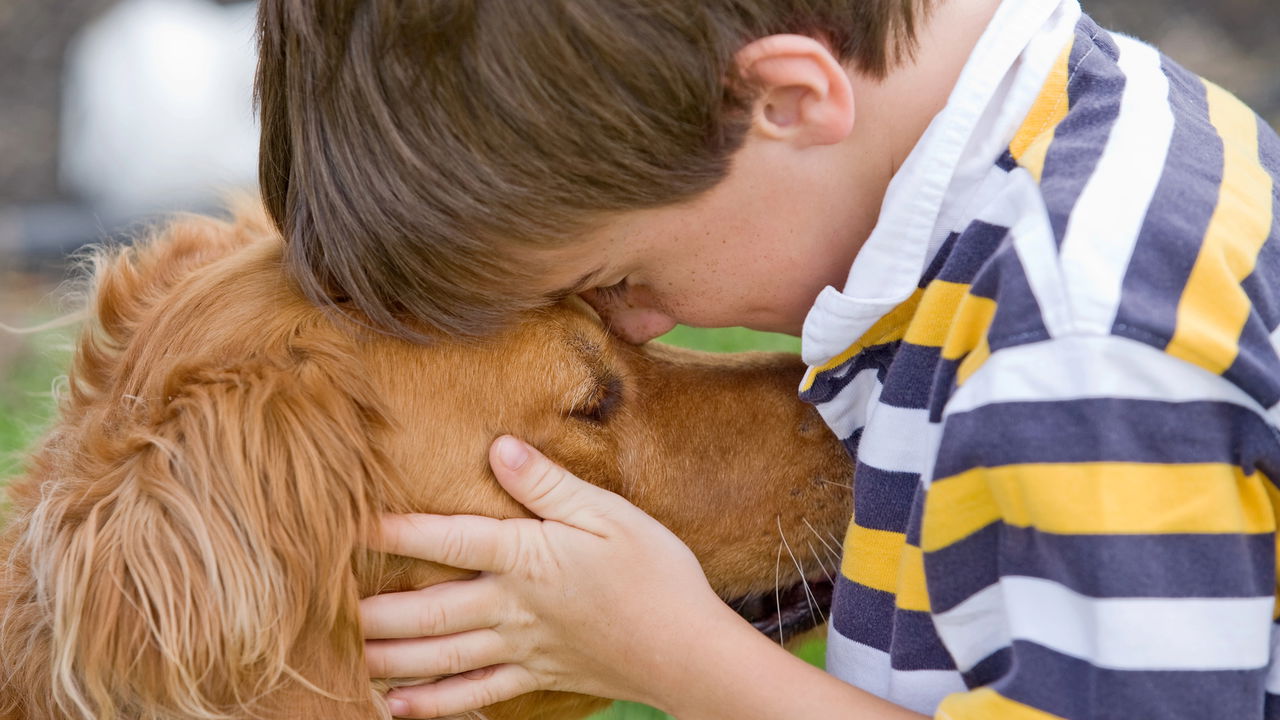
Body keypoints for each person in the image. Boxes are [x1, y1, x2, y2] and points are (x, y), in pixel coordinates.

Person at [253, 0, 1280, 717]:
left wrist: (677, 659)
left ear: (784, 101)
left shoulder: (1077, 346)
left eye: (620, 277)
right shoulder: (1096, 134)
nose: (644, 324)